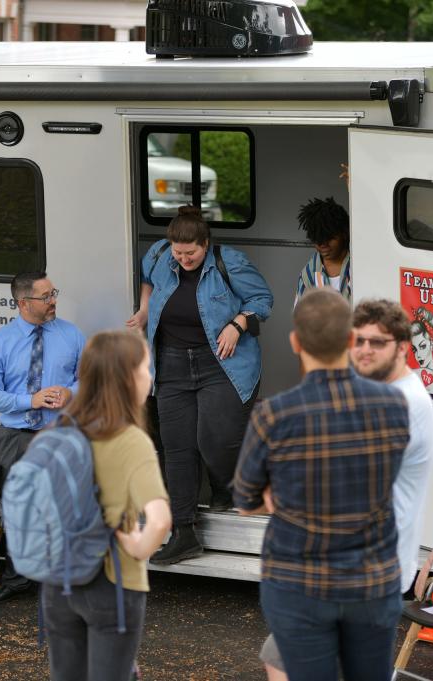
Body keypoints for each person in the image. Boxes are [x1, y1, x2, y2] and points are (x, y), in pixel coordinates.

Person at [233, 289, 409, 681]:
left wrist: (277, 499)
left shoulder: (274, 415)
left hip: (299, 584)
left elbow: (244, 500)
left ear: (295, 342)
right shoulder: (393, 405)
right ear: (350, 339)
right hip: (372, 580)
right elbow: (382, 480)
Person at [126, 206, 272, 565]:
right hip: (171, 363)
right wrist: (145, 309)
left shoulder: (229, 261)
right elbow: (147, 276)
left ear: (205, 245)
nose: (184, 258)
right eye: (178, 252)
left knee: (215, 439)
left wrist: (237, 325)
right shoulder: (160, 254)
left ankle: (231, 489)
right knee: (177, 448)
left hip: (222, 363)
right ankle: (184, 532)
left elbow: (262, 301)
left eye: (191, 252)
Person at [43, 330, 172, 681]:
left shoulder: (58, 430)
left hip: (59, 581)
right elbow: (160, 521)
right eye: (145, 368)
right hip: (112, 580)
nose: (150, 375)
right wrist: (138, 546)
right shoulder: (131, 440)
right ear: (128, 378)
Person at [0, 271, 85, 603]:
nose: (54, 301)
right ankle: (19, 576)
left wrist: (71, 392)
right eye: (47, 296)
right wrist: (31, 400)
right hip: (16, 436)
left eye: (54, 293)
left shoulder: (72, 335)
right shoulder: (0, 341)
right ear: (24, 303)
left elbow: (91, 380)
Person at [293, 196, 351, 306]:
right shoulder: (308, 275)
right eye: (317, 239)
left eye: (329, 237)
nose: (323, 244)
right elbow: (302, 316)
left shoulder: (358, 267)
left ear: (344, 233)